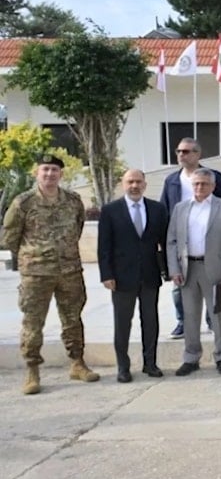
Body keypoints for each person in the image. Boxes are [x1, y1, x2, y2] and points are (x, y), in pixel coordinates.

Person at [2, 154, 99, 395]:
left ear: (61, 174)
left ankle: (77, 363)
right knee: (33, 323)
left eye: (54, 170)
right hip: (36, 274)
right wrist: (32, 256)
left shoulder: (73, 200)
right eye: (45, 170)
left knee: (73, 319)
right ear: (37, 172)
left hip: (69, 270)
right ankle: (32, 370)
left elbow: (76, 228)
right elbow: (10, 237)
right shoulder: (23, 202)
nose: (49, 174)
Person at [161, 137, 221, 339]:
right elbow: (164, 210)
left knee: (213, 290)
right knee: (180, 289)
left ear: (198, 154)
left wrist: (213, 216)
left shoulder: (213, 177)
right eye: (178, 151)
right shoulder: (172, 180)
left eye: (186, 151)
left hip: (210, 243)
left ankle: (211, 321)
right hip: (182, 242)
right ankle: (182, 322)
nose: (181, 155)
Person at [97, 169, 169, 382]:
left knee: (150, 321)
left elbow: (165, 243)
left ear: (145, 184)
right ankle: (123, 367)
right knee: (122, 323)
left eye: (138, 182)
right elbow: (104, 246)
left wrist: (168, 270)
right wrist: (106, 274)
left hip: (149, 276)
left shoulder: (157, 209)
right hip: (121, 278)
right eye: (130, 182)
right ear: (123, 184)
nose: (134, 186)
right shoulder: (111, 211)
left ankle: (150, 363)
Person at [166, 168, 221, 376]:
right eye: (196, 184)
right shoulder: (180, 208)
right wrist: (174, 269)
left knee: (219, 315)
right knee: (190, 315)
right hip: (188, 269)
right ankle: (191, 357)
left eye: (204, 184)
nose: (199, 187)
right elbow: (172, 241)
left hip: (214, 268)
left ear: (213, 186)